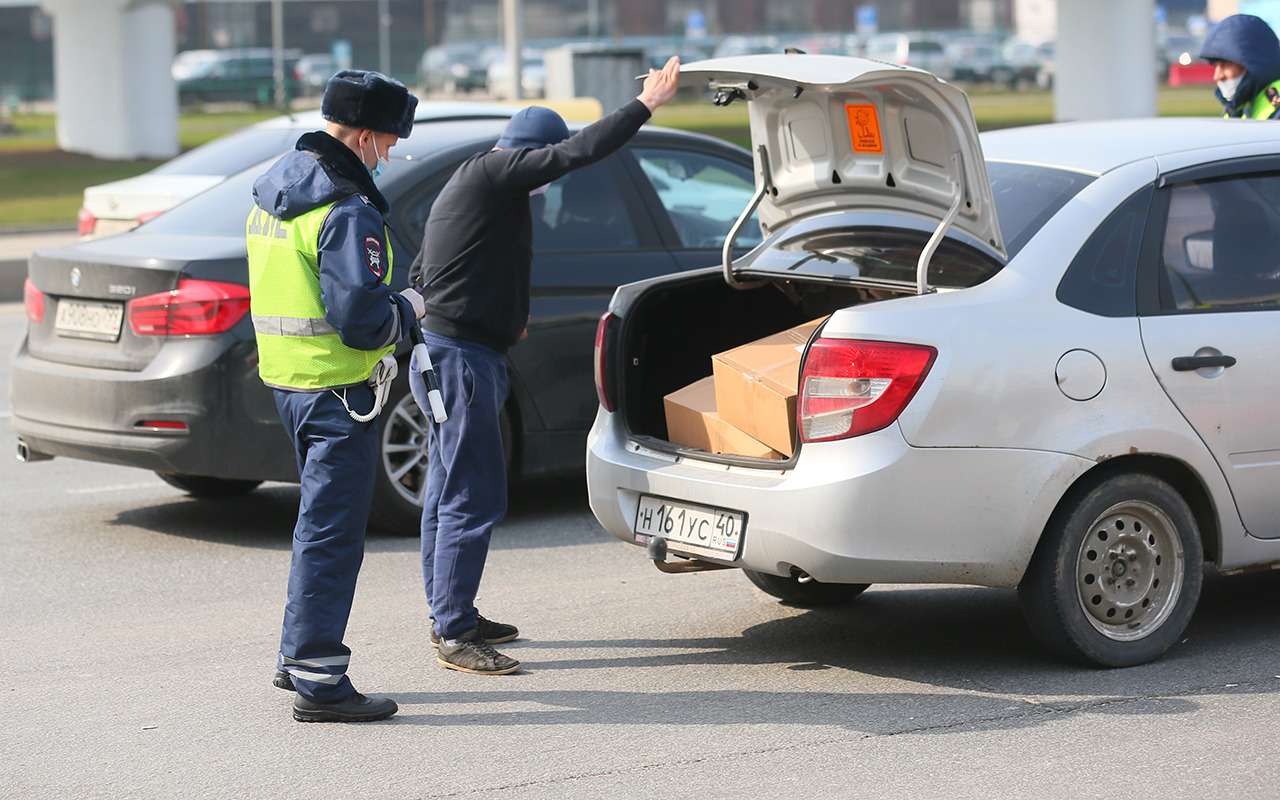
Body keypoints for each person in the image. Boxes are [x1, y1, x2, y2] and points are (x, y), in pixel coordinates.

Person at [406, 56, 683, 676]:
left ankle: (453, 612)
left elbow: (428, 270)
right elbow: (576, 153)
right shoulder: (500, 172)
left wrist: (502, 316)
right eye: (543, 167)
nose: (547, 182)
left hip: (454, 351)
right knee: (469, 493)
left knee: (449, 488)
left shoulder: (479, 185)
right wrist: (646, 106)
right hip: (460, 361)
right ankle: (453, 632)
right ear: (529, 154)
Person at [246, 70, 427, 723]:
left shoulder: (274, 188)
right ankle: (320, 675)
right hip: (338, 391)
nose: (389, 152)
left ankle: (295, 657)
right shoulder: (345, 208)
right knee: (331, 533)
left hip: (290, 383)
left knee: (313, 526)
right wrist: (408, 309)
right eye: (388, 141)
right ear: (364, 134)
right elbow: (363, 321)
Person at [1200, 13, 1280, 120]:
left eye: (1224, 65)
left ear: (1255, 62)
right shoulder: (1238, 109)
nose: (1217, 76)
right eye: (1215, 66)